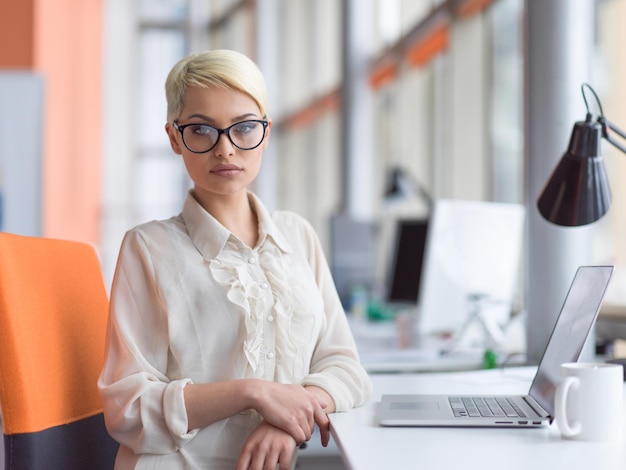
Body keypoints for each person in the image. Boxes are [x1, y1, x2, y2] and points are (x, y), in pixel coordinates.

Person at [98, 49, 372, 470]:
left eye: (244, 128)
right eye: (202, 130)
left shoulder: (297, 236)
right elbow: (127, 407)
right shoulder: (147, 248)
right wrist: (252, 392)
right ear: (174, 137)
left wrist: (287, 418)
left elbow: (345, 367)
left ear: (265, 130)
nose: (225, 149)